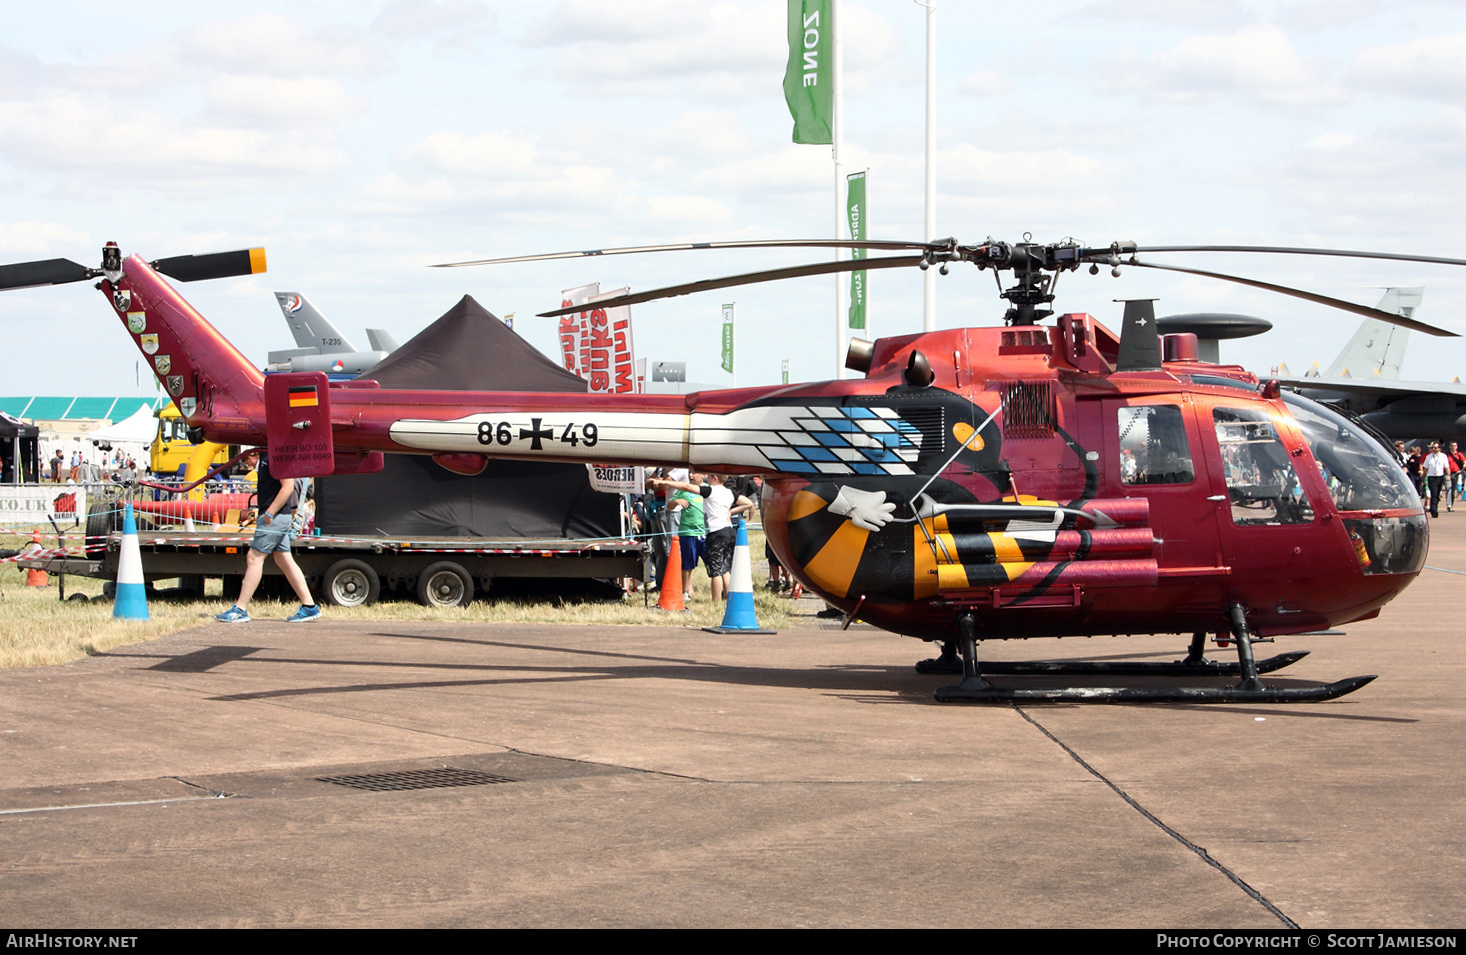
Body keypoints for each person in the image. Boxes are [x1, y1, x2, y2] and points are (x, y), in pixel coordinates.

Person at [215, 449, 321, 623]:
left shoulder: (274, 458)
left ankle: (240, 609)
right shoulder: (268, 458)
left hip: (275, 517)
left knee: (254, 558)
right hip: (278, 517)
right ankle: (309, 606)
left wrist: (269, 514)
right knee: (284, 559)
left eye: (245, 460)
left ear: (253, 455)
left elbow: (287, 487)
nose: (245, 465)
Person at [657, 472, 753, 602]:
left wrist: (666, 483)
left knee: (716, 571)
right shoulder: (729, 492)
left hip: (716, 532)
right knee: (725, 569)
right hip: (729, 531)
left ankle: (716, 601)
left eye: (708, 477)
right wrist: (730, 511)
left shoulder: (710, 491)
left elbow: (687, 487)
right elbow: (748, 503)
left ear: (715, 478)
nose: (706, 479)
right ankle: (731, 599)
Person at [661, 472, 707, 598]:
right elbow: (669, 506)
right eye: (689, 473)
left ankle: (720, 589)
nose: (691, 475)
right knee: (687, 564)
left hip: (705, 532)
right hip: (687, 532)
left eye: (694, 473)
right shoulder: (684, 490)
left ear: (703, 475)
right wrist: (676, 501)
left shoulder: (707, 490)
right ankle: (685, 591)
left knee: (711, 562)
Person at [1422, 441, 1449, 519]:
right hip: (1431, 477)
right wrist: (1423, 479)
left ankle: (1433, 507)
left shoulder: (1443, 456)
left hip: (1440, 477)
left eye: (1435, 447)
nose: (1433, 449)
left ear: (1439, 448)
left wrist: (1448, 475)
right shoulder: (1429, 457)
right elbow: (1425, 469)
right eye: (1432, 447)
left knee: (1437, 494)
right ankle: (1434, 510)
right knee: (1434, 493)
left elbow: (1447, 467)